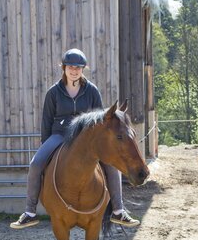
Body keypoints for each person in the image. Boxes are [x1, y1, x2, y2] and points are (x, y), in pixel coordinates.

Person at [10, 48, 140, 229]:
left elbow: (101, 120)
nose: (74, 71)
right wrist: (46, 145)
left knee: (111, 167)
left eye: (78, 68)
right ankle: (30, 212)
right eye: (70, 67)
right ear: (63, 68)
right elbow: (46, 121)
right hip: (59, 136)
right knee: (35, 164)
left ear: (83, 69)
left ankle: (119, 210)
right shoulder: (53, 93)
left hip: (86, 140)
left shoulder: (92, 91)